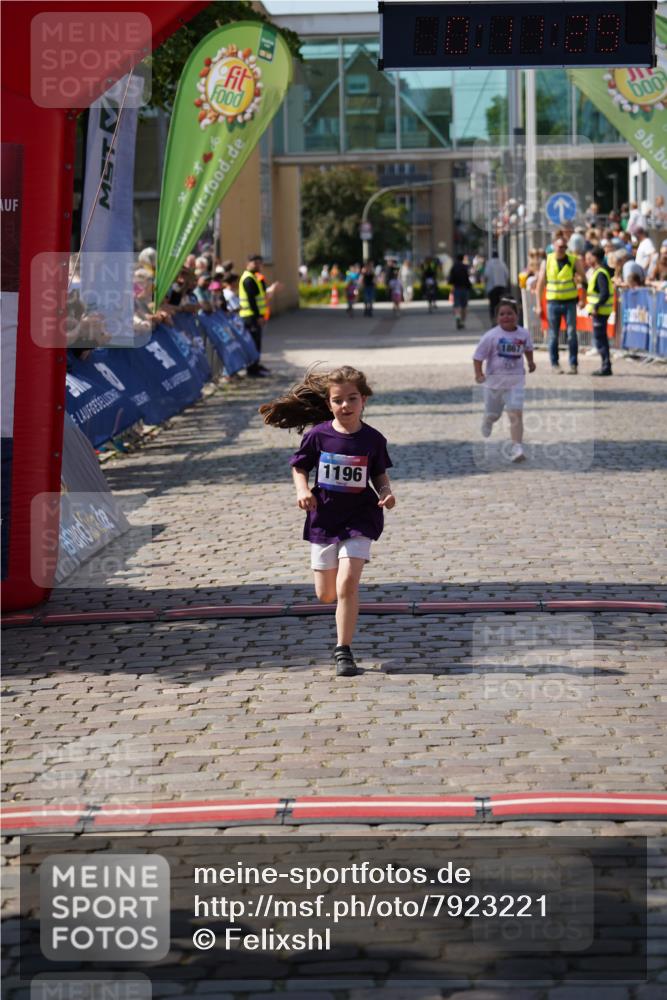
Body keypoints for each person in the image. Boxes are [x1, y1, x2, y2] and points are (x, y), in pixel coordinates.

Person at [259, 366, 396, 677]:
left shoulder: (374, 439)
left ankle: (343, 650)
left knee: (348, 583)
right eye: (338, 400)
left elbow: (379, 475)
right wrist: (302, 490)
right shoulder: (318, 435)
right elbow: (299, 467)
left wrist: (387, 493)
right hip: (325, 517)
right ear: (328, 404)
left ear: (364, 401)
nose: (345, 406)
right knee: (327, 594)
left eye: (352, 399)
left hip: (361, 516)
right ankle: (339, 625)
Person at [473, 298, 536, 464]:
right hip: (494, 384)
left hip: (516, 383)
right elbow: (478, 357)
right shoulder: (491, 336)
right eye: (502, 314)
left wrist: (530, 362)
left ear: (517, 315)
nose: (506, 317)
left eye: (510, 313)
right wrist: (478, 374)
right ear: (496, 318)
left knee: (516, 414)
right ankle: (488, 420)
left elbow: (528, 349)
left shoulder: (524, 333)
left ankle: (517, 447)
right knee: (494, 414)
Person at [535, 235, 586, 373]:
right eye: (560, 247)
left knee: (571, 334)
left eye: (564, 247)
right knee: (553, 335)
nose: (562, 249)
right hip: (553, 303)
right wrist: (539, 305)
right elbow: (540, 284)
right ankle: (554, 364)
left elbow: (584, 279)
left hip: (570, 302)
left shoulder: (573, 260)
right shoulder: (547, 261)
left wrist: (583, 299)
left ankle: (573, 364)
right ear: (554, 246)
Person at [239, 253, 270, 377]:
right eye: (255, 262)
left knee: (256, 343)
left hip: (253, 316)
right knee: (253, 343)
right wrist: (259, 317)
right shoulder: (248, 279)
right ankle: (252, 369)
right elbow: (252, 300)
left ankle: (256, 366)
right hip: (250, 316)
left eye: (259, 263)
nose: (258, 265)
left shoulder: (255, 277)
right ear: (248, 263)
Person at [585, 246, 614, 377]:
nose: (587, 259)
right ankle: (605, 365)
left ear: (595, 258)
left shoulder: (600, 273)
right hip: (600, 311)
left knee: (600, 339)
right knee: (601, 339)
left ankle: (606, 366)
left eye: (589, 257)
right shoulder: (598, 272)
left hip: (601, 311)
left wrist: (596, 307)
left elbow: (604, 294)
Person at [448, 254, 472, 329]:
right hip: (465, 288)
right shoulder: (465, 267)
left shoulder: (454, 267)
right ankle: (462, 322)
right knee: (464, 306)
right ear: (462, 259)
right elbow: (468, 278)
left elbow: (450, 279)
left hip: (457, 288)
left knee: (457, 305)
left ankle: (457, 317)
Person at [483, 252, 509, 321]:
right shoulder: (502, 263)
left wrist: (485, 286)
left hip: (492, 288)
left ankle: (493, 319)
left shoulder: (489, 264)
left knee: (492, 305)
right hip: (502, 287)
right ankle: (500, 319)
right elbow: (507, 275)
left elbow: (486, 276)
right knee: (500, 304)